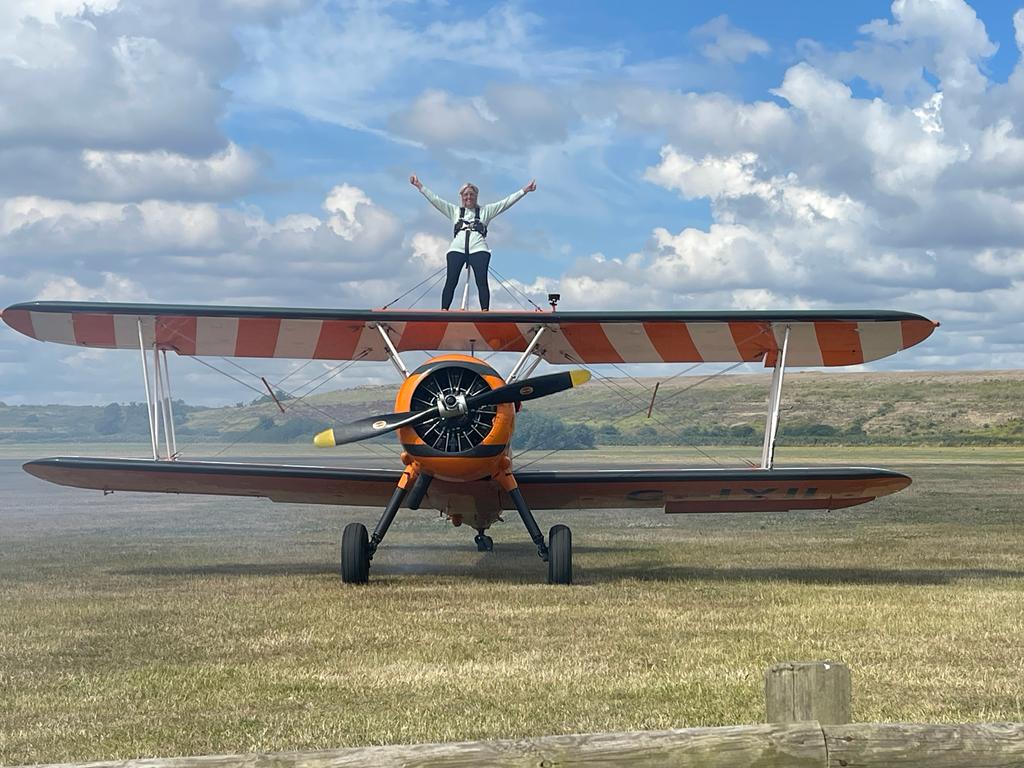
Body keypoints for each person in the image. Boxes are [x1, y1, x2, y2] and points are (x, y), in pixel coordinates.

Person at [410, 174, 536, 310]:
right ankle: (444, 310)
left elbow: (506, 203)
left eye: (471, 194)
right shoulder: (455, 211)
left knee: (482, 281)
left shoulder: (485, 211)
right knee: (451, 280)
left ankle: (485, 311)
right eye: (465, 195)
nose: (468, 197)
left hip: (478, 249)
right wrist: (419, 186)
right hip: (457, 249)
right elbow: (435, 200)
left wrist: (524, 191)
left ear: (476, 196)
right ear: (461, 197)